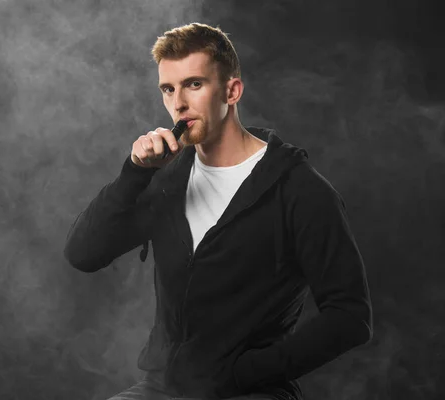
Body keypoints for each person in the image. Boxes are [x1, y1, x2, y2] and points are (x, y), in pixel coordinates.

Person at [63, 23, 373, 400]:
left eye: (194, 84)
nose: (178, 102)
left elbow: (350, 317)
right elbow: (83, 254)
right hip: (165, 389)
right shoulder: (166, 181)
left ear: (231, 90)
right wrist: (134, 173)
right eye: (168, 88)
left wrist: (247, 373)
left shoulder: (299, 190)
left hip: (251, 391)